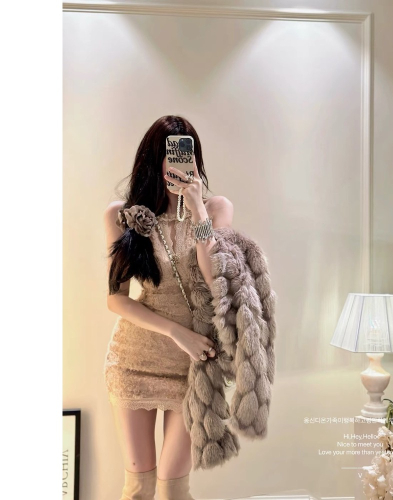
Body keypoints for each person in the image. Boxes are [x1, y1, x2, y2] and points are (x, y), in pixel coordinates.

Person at [102, 115, 233, 500]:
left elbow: (215, 277)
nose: (179, 162)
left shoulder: (216, 208)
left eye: (186, 153)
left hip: (194, 366)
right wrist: (177, 333)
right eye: (170, 153)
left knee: (174, 490)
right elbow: (115, 298)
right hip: (135, 360)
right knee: (138, 488)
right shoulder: (122, 215)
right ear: (153, 158)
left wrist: (198, 211)